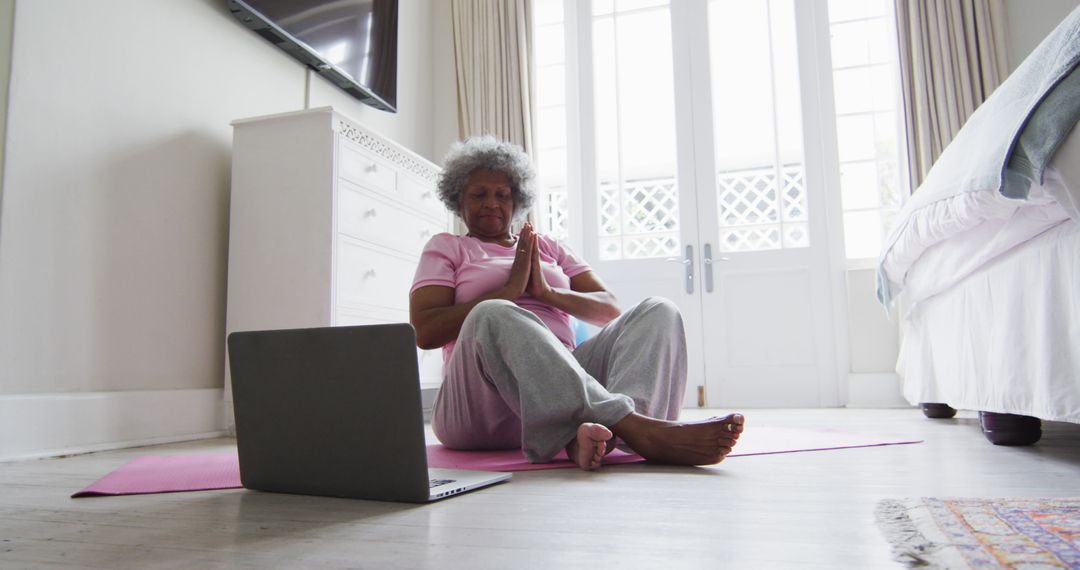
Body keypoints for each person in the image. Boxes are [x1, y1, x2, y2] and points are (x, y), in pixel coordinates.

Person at [409, 135, 744, 471]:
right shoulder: (447, 247)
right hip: (481, 407)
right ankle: (638, 429)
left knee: (659, 310)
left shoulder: (549, 247)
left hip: (562, 391)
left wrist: (547, 294)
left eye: (502, 195)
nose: (491, 204)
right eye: (479, 194)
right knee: (492, 313)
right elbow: (425, 331)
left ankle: (604, 433)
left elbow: (608, 308)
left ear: (518, 200)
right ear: (458, 200)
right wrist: (508, 291)